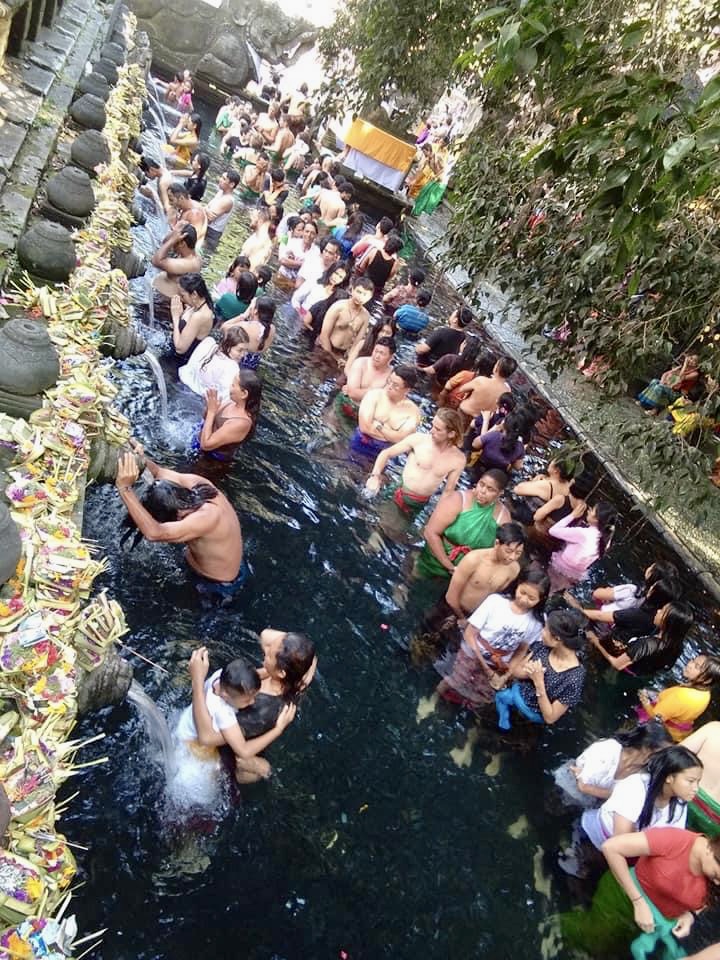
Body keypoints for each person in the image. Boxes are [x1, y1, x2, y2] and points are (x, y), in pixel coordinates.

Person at [560, 826, 720, 959]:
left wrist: (690, 915)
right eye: (717, 875)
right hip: (623, 898)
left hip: (653, 924)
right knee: (590, 939)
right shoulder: (675, 840)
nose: (717, 882)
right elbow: (611, 847)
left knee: (611, 951)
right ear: (711, 850)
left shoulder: (714, 877)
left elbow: (706, 900)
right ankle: (557, 926)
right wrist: (638, 901)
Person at [189, 630, 316, 782]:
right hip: (250, 737)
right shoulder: (299, 678)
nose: (266, 649)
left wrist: (197, 680)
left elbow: (207, 737)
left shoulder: (258, 711)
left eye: (269, 654)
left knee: (253, 767)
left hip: (235, 747)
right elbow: (265, 635)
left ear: (282, 673)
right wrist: (286, 647)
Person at [116, 450, 246, 597]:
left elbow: (154, 533)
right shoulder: (197, 485)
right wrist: (136, 458)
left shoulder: (206, 518)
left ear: (176, 517)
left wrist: (125, 489)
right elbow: (157, 471)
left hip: (216, 586)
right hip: (220, 563)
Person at [437, 570, 549, 708]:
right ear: (518, 584)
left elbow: (521, 650)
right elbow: (470, 634)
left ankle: (463, 708)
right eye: (522, 592)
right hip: (472, 652)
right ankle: (433, 698)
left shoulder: (537, 621)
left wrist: (506, 675)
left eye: (531, 598)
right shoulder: (496, 602)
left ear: (541, 599)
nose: (523, 599)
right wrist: (486, 668)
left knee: (483, 695)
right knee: (455, 680)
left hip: (500, 664)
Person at [494, 607, 587, 730]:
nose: (542, 632)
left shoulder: (574, 679)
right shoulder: (543, 647)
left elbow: (550, 718)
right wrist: (529, 673)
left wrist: (539, 682)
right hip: (516, 694)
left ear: (557, 639)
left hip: (533, 714)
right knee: (500, 699)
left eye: (545, 629)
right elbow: (516, 672)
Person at [364, 409, 467, 517]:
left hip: (418, 504)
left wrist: (436, 518)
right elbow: (386, 453)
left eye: (437, 429)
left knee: (392, 532)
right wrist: (375, 476)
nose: (431, 431)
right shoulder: (418, 440)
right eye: (432, 426)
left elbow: (447, 492)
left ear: (451, 434)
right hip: (399, 491)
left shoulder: (458, 459)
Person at [415, 469, 511, 578]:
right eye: (481, 484)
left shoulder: (502, 517)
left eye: (490, 489)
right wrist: (449, 566)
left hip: (467, 570)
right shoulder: (458, 500)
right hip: (435, 558)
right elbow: (431, 532)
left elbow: (500, 552)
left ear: (500, 493)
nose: (482, 491)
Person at [554, 723, 672, 808]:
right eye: (663, 753)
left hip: (589, 802)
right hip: (565, 787)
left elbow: (584, 786)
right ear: (646, 748)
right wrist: (588, 788)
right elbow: (582, 784)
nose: (666, 758)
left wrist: (587, 788)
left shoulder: (644, 773)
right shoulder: (608, 750)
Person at [590, 601, 694, 676]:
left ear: (668, 622)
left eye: (662, 611)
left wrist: (595, 640)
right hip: (642, 673)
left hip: (624, 674)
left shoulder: (646, 645)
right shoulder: (677, 645)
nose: (658, 611)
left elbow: (617, 664)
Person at [637, 655, 720, 741]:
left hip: (663, 731)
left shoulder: (681, 696)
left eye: (697, 666)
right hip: (679, 734)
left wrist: (645, 701)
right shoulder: (705, 693)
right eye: (693, 660)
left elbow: (655, 718)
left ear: (707, 680)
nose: (690, 665)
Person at [350, 365, 422, 461]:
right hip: (360, 443)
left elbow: (401, 439)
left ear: (407, 390)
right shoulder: (374, 395)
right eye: (389, 381)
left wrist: (378, 426)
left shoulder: (413, 412)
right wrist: (391, 435)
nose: (389, 387)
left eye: (395, 385)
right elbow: (365, 427)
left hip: (385, 453)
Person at [547, 500, 618, 592]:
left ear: (596, 519)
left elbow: (553, 531)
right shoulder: (605, 541)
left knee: (546, 588)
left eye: (592, 510)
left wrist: (573, 515)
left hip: (560, 568)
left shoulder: (583, 534)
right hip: (576, 576)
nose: (588, 510)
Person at [192, 370, 262, 461]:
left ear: (244, 394)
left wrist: (212, 412)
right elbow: (207, 420)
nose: (230, 387)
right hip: (198, 445)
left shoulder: (241, 422)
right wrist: (210, 406)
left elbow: (206, 445)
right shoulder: (230, 402)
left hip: (210, 461)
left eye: (233, 385)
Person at [179, 327, 249, 402]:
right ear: (228, 346)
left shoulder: (208, 343)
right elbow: (226, 397)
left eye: (245, 350)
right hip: (201, 401)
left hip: (184, 384)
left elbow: (191, 365)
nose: (243, 355)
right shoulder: (232, 368)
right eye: (240, 350)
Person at [335, 335, 395, 421]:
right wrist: (378, 392)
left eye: (382, 353)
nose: (377, 356)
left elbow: (384, 402)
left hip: (367, 415)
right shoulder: (361, 363)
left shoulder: (392, 375)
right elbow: (352, 393)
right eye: (376, 351)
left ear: (391, 357)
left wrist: (363, 393)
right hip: (346, 403)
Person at [318, 277, 374, 366]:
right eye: (358, 292)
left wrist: (348, 361)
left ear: (370, 297)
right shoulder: (338, 307)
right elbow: (324, 335)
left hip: (341, 354)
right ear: (352, 290)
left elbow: (357, 343)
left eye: (365, 294)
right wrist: (333, 356)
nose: (360, 297)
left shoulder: (365, 316)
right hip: (325, 348)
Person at [220, 296, 276, 370]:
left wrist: (244, 315)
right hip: (252, 365)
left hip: (236, 362)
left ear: (255, 311)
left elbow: (223, 327)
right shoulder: (272, 329)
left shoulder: (245, 326)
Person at [151, 223, 202, 301]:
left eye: (175, 241)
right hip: (158, 298)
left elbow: (156, 261)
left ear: (182, 244)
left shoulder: (191, 263)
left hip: (165, 305)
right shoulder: (186, 255)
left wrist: (172, 240)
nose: (172, 244)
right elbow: (164, 243)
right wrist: (174, 232)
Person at [170, 273, 214, 361]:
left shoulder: (199, 316)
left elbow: (180, 349)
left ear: (194, 294)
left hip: (180, 361)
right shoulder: (196, 305)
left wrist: (175, 318)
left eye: (183, 295)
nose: (181, 298)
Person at [469, 411, 526, 476]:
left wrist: (494, 427)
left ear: (504, 424)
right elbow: (517, 466)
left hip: (479, 469)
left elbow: (475, 444)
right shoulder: (520, 447)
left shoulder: (494, 436)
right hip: (498, 476)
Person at [203, 170, 240, 248]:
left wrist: (202, 208)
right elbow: (208, 208)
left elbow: (210, 217)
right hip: (207, 228)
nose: (220, 179)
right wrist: (206, 209)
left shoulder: (228, 200)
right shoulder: (220, 192)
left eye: (224, 179)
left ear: (232, 184)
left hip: (211, 234)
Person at [166, 182, 208, 249]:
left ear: (181, 198)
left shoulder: (195, 214)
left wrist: (172, 224)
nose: (169, 203)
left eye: (171, 200)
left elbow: (191, 241)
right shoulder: (184, 207)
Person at [363, 234, 403, 298]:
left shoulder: (374, 251)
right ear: (396, 251)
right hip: (376, 289)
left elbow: (362, 266)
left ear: (387, 242)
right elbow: (388, 279)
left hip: (364, 282)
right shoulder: (394, 263)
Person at [241, 206, 275, 272]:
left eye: (252, 217)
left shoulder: (261, 242)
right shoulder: (257, 236)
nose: (250, 219)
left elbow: (251, 269)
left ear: (259, 219)